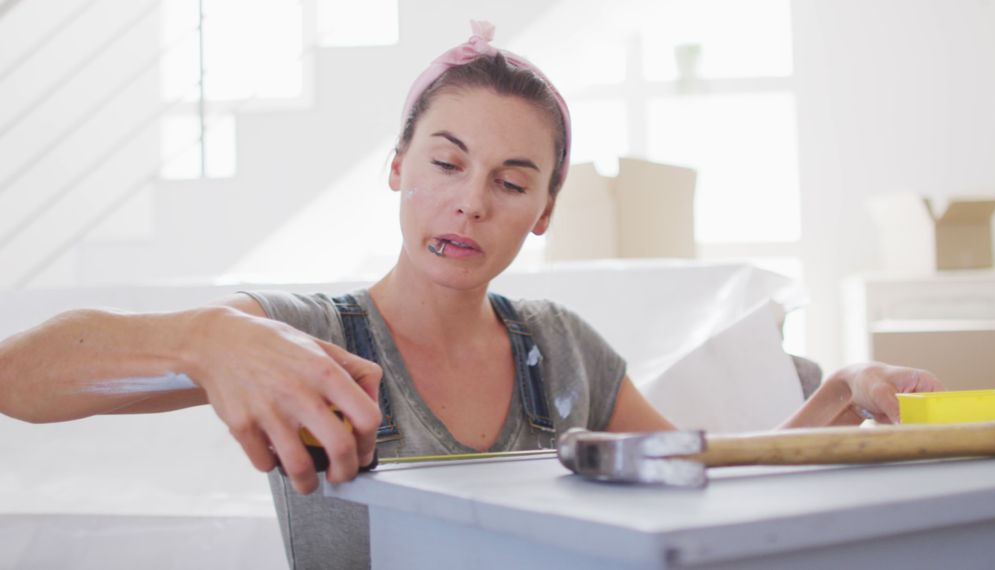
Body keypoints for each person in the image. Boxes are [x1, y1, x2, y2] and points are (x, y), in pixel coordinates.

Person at [0, 21, 942, 569]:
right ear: (399, 166)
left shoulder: (561, 347)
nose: (469, 201)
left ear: (541, 211)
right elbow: (19, 377)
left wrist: (840, 395)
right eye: (447, 163)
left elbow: (695, 479)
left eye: (511, 179)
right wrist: (204, 338)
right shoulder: (305, 336)